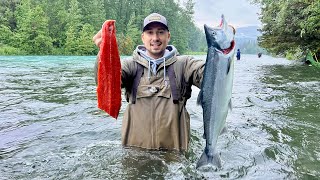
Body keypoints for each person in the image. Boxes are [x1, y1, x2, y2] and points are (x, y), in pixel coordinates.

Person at [93, 13, 205, 151]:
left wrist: (221, 50)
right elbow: (106, 85)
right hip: (135, 155)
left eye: (160, 32)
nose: (155, 38)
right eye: (150, 32)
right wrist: (104, 50)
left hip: (174, 158)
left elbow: (208, 77)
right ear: (143, 37)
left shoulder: (185, 64)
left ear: (168, 36)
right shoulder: (130, 65)